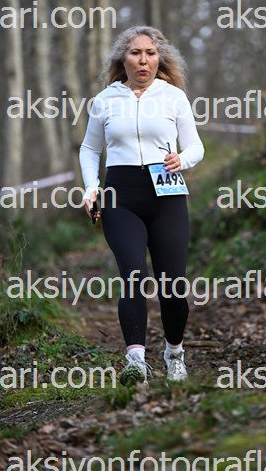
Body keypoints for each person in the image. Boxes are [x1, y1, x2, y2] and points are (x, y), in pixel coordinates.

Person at [79, 26, 204, 385]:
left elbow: (195, 146)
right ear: (124, 59)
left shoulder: (173, 97)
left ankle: (174, 353)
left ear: (159, 58)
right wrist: (92, 188)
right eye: (135, 53)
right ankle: (135, 361)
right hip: (121, 196)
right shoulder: (105, 100)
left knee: (172, 284)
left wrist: (182, 159)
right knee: (133, 275)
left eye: (150, 53)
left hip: (167, 195)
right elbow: (90, 149)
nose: (143, 60)